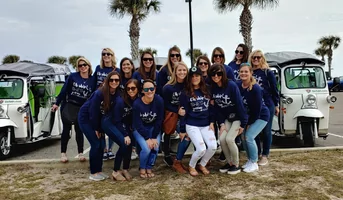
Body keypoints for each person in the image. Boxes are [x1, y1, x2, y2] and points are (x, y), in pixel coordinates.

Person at [78, 71, 121, 181]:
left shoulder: (116, 93)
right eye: (111, 80)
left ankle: (99, 171)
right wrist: (96, 128)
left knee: (102, 145)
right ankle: (93, 172)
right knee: (96, 144)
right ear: (107, 81)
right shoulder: (100, 93)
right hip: (86, 119)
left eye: (116, 80)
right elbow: (93, 112)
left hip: (98, 120)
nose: (114, 82)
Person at [52, 57, 95, 163]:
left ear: (89, 66)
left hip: (82, 108)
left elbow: (94, 94)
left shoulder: (92, 79)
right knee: (66, 130)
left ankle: (80, 152)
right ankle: (63, 153)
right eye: (80, 65)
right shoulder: (73, 76)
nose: (83, 67)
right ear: (78, 67)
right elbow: (64, 90)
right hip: (68, 105)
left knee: (79, 130)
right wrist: (57, 103)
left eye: (85, 65)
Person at [209, 64, 248, 175]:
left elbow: (239, 104)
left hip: (237, 118)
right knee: (222, 139)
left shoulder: (231, 85)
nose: (216, 76)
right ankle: (229, 163)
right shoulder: (213, 88)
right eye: (213, 74)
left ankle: (236, 164)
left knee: (230, 139)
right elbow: (217, 108)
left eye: (219, 73)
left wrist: (243, 124)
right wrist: (221, 124)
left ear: (223, 74)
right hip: (226, 118)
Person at [179, 66, 217, 176]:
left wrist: (212, 122)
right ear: (189, 78)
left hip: (206, 124)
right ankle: (191, 165)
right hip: (192, 124)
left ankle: (202, 164)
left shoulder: (208, 89)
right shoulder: (185, 93)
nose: (195, 78)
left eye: (197, 76)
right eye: (192, 76)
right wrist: (182, 129)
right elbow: (183, 112)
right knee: (201, 149)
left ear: (201, 77)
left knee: (213, 146)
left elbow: (212, 108)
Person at [101, 76, 138, 181]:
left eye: (133, 88)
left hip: (123, 124)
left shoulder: (137, 100)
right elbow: (117, 120)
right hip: (110, 123)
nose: (130, 91)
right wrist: (125, 134)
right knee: (124, 143)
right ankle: (116, 171)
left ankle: (125, 169)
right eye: (128, 88)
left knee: (129, 145)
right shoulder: (120, 100)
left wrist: (130, 130)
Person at [237, 62, 270, 173]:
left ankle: (254, 162)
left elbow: (257, 109)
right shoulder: (238, 86)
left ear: (251, 73)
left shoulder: (255, 88)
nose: (243, 73)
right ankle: (250, 160)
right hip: (248, 117)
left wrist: (249, 123)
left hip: (261, 116)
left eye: (246, 71)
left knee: (249, 136)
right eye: (241, 71)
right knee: (243, 138)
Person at [249, 50, 280, 166]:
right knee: (255, 131)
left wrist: (276, 104)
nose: (256, 59)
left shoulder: (268, 72)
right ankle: (257, 153)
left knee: (267, 131)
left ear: (262, 58)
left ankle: (265, 155)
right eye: (254, 58)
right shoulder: (250, 72)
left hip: (268, 104)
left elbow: (274, 89)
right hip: (254, 105)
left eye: (258, 57)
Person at [133, 79, 164, 178]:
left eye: (151, 89)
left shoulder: (159, 100)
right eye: (146, 89)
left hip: (153, 127)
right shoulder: (137, 103)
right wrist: (147, 138)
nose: (149, 91)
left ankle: (149, 167)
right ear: (142, 91)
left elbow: (159, 120)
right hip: (139, 129)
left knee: (155, 146)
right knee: (146, 149)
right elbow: (137, 124)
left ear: (155, 89)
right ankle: (142, 167)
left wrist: (154, 137)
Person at [161, 61, 189, 172]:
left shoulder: (188, 86)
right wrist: (177, 111)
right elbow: (165, 104)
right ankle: (168, 156)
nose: (182, 72)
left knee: (187, 135)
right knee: (168, 133)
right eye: (179, 70)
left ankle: (178, 159)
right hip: (172, 115)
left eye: (184, 70)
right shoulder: (168, 88)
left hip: (186, 116)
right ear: (175, 72)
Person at [93, 48, 120, 161]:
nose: (106, 56)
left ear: (112, 56)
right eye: (104, 54)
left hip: (111, 100)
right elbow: (94, 82)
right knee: (101, 126)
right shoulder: (98, 68)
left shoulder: (116, 70)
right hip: (100, 99)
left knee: (111, 124)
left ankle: (110, 150)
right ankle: (104, 150)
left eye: (108, 54)